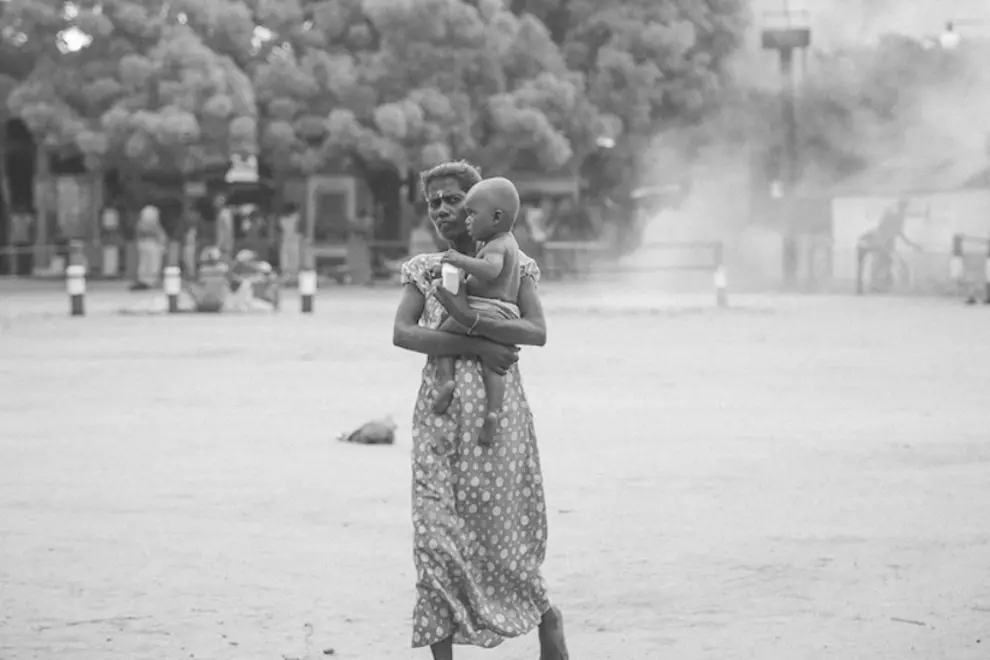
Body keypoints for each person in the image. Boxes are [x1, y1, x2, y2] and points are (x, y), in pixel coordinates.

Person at [392, 160, 569, 660]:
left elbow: (536, 331)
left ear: (481, 208)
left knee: (502, 535)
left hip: (498, 422)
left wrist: (473, 325)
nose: (443, 210)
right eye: (434, 202)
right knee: (434, 542)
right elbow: (403, 333)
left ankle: (546, 616)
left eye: (454, 200)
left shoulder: (512, 263)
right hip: (439, 420)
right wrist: (478, 345)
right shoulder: (425, 269)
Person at [432, 177, 523, 448]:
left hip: (486, 308)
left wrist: (460, 260)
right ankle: (493, 412)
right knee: (494, 367)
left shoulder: (495, 245)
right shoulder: (508, 243)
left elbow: (491, 270)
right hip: (506, 313)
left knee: (442, 338)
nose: (467, 220)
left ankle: (446, 382)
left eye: (472, 214)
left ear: (496, 217)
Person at [133, 204, 167, 290]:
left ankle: (147, 281)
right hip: (152, 246)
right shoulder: (151, 226)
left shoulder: (142, 224)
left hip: (149, 245)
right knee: (150, 264)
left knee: (148, 264)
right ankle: (149, 281)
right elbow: (161, 236)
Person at [347, 207, 375, 286]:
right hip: (356, 247)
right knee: (357, 263)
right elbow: (360, 230)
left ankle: (365, 279)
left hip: (362, 247)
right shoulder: (356, 223)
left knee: (364, 263)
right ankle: (358, 279)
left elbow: (368, 233)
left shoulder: (364, 223)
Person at [277, 202, 302, 282]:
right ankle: (291, 276)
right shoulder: (294, 217)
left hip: (289, 239)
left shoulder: (282, 219)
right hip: (291, 240)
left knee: (288, 259)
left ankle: (290, 276)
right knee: (290, 259)